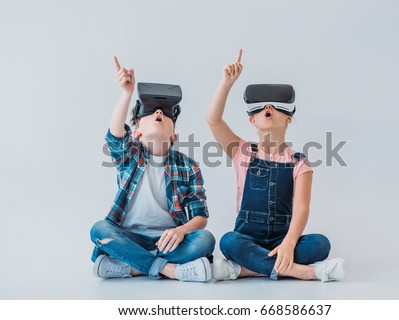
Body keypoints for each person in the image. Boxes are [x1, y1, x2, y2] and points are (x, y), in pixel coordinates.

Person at [206, 49, 349, 282]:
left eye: (274, 106)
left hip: (284, 238)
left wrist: (289, 244)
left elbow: (301, 208)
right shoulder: (243, 151)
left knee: (320, 244)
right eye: (261, 107)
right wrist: (226, 83)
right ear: (252, 119)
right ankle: (305, 272)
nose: (268, 107)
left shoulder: (299, 162)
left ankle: (244, 269)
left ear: (289, 118)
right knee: (228, 241)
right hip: (247, 238)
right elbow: (213, 120)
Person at [90, 56, 215, 282]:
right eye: (151, 113)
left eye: (165, 115)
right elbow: (115, 134)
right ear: (137, 132)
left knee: (205, 240)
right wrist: (127, 93)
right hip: (129, 237)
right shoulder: (130, 155)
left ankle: (132, 266)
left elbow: (200, 217)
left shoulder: (188, 166)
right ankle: (170, 270)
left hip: (169, 240)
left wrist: (181, 231)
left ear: (173, 135)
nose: (159, 112)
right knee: (99, 230)